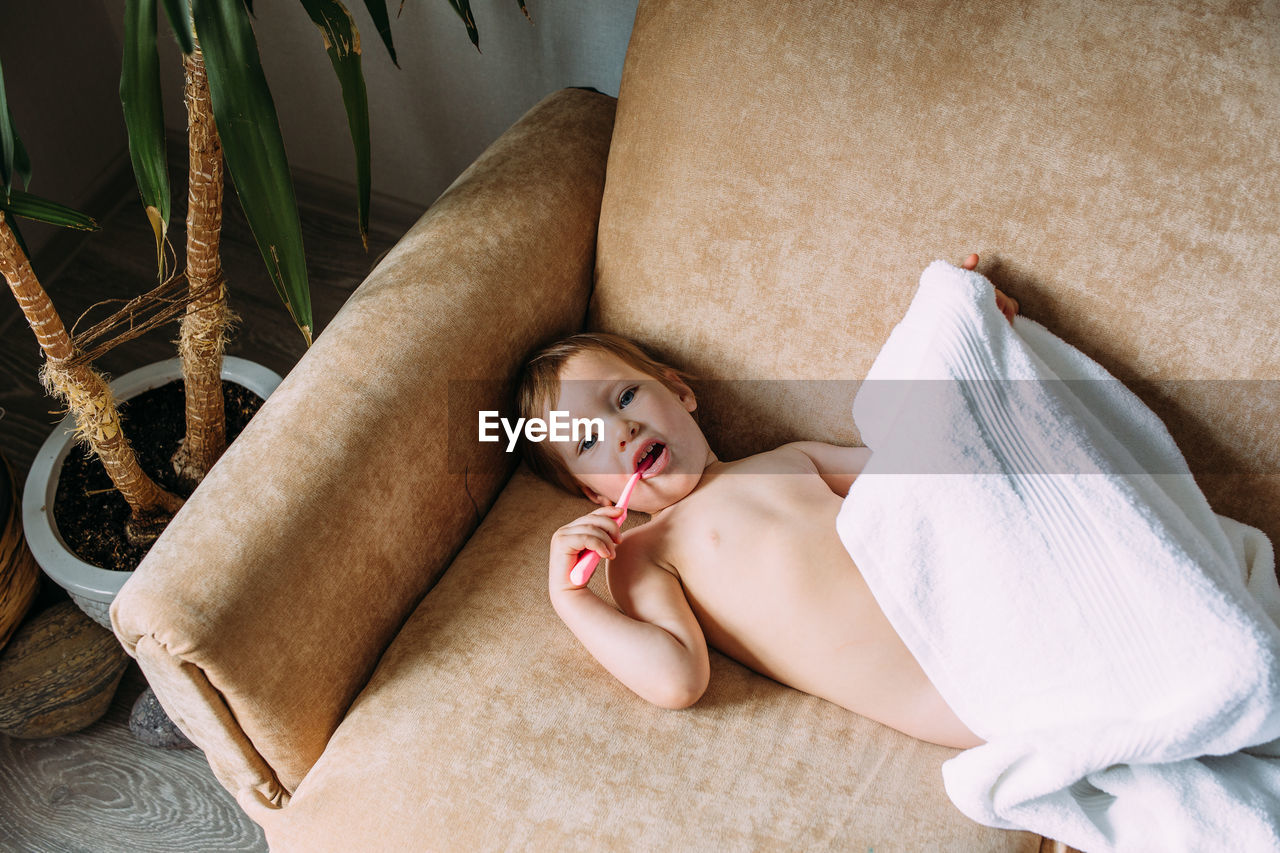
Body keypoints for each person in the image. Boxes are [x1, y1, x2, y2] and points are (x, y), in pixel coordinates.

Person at [516, 254, 1018, 749]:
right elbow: (676, 681)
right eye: (586, 443)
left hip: (984, 603)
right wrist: (572, 601)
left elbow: (923, 470)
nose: (621, 430)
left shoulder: (791, 458)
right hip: (953, 697)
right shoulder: (644, 552)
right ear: (592, 492)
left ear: (679, 390)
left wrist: (962, 343)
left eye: (624, 398)